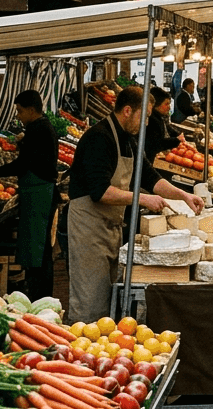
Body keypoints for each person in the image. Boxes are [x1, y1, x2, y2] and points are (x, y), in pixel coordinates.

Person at [67, 86, 202, 322]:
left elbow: (149, 177)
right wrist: (142, 198)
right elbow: (100, 192)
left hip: (110, 227)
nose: (148, 124)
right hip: (89, 228)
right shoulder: (99, 138)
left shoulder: (128, 139)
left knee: (107, 300)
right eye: (145, 117)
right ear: (128, 111)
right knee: (89, 302)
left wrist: (183, 196)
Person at [0, 90, 58, 300]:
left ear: (31, 110)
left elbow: (23, 164)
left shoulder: (38, 130)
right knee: (39, 251)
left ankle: (38, 295)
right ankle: (40, 293)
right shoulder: (40, 126)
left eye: (20, 111)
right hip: (39, 193)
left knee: (38, 252)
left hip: (39, 194)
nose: (18, 116)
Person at [143, 86, 185, 161]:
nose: (169, 107)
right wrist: (176, 140)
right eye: (166, 104)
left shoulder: (158, 117)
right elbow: (158, 144)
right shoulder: (152, 120)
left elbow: (167, 127)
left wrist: (177, 134)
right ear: (156, 105)